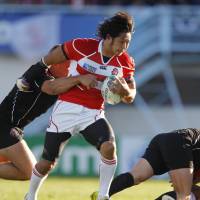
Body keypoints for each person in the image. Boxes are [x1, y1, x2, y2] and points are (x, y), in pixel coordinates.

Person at [25, 11, 136, 200]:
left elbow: (130, 96)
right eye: (122, 42)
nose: (124, 47)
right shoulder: (81, 46)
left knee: (109, 147)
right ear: (108, 37)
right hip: (66, 109)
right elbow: (49, 59)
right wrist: (77, 78)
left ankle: (103, 195)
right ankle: (30, 196)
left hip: (93, 113)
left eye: (128, 42)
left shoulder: (125, 62)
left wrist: (124, 90)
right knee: (47, 162)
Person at [0, 57, 97, 181]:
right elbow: (51, 88)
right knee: (30, 172)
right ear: (56, 64)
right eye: (70, 65)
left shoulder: (63, 84)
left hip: (11, 126)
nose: (72, 69)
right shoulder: (40, 75)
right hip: (4, 124)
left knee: (30, 172)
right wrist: (78, 79)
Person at [107, 128, 200, 200]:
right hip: (181, 141)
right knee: (184, 195)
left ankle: (102, 194)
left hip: (164, 139)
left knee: (136, 175)